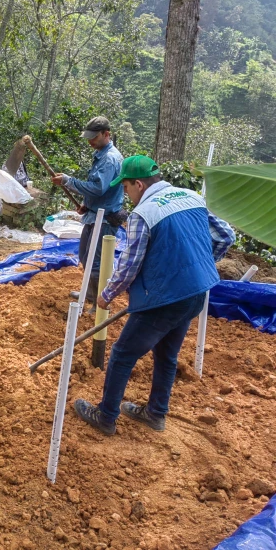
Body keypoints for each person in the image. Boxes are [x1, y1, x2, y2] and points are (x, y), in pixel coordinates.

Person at [73, 155, 235, 436]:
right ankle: (155, 412)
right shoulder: (191, 197)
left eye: (125, 187)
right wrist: (200, 263)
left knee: (123, 354)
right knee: (166, 354)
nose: (125, 193)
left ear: (138, 184)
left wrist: (107, 294)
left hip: (165, 298)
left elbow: (130, 265)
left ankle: (106, 416)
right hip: (197, 291)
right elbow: (225, 236)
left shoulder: (143, 213)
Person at [52, 116, 124, 308]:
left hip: (105, 218)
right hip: (95, 213)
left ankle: (100, 303)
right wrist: (87, 204)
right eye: (89, 137)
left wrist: (69, 181)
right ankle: (90, 293)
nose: (90, 141)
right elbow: (99, 190)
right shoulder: (101, 154)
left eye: (94, 137)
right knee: (86, 255)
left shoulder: (109, 159)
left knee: (98, 261)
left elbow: (98, 188)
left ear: (106, 134)